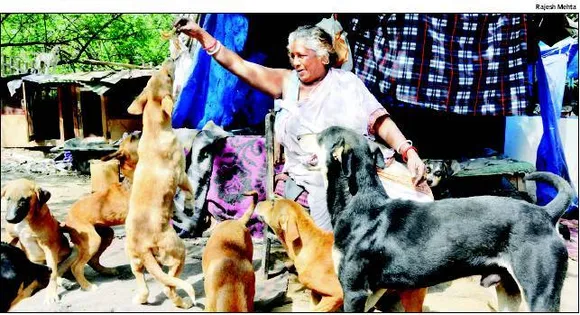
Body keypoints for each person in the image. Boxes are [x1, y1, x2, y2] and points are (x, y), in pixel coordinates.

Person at [174, 18, 430, 231]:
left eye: (302, 56)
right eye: (292, 56)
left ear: (324, 58)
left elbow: (380, 121)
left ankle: (390, 271)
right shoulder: (287, 83)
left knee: (416, 197)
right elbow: (240, 66)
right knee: (336, 206)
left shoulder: (348, 83)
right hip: (313, 173)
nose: (295, 62)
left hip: (360, 162)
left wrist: (408, 152)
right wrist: (202, 36)